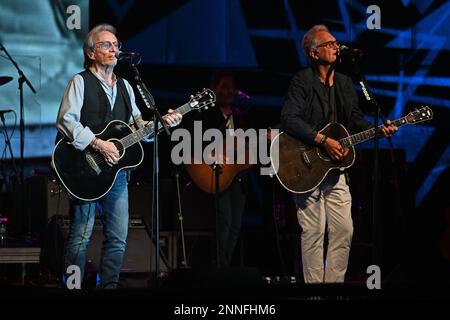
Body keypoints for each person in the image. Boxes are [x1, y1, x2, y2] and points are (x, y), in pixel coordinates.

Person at [56, 24, 182, 288]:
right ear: (91, 53)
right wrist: (99, 144)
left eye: (116, 45)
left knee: (118, 237)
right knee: (80, 236)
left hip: (116, 176)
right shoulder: (80, 81)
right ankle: (71, 287)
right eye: (106, 45)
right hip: (84, 169)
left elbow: (139, 130)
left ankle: (109, 287)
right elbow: (66, 122)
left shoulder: (126, 85)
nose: (114, 49)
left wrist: (162, 124)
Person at [280, 24, 397, 283]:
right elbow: (289, 119)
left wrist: (377, 129)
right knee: (314, 230)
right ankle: (313, 291)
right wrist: (323, 140)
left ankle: (332, 287)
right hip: (305, 166)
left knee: (344, 229)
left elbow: (355, 119)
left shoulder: (345, 82)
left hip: (335, 169)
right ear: (313, 53)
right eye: (329, 44)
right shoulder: (302, 81)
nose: (336, 46)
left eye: (336, 42)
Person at [194, 70, 249, 268]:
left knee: (235, 224)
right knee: (224, 222)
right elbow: (194, 142)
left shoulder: (241, 117)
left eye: (232, 87)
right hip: (215, 174)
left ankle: (224, 266)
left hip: (237, 177)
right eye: (224, 86)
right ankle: (218, 268)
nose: (229, 91)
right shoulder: (207, 115)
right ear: (214, 89)